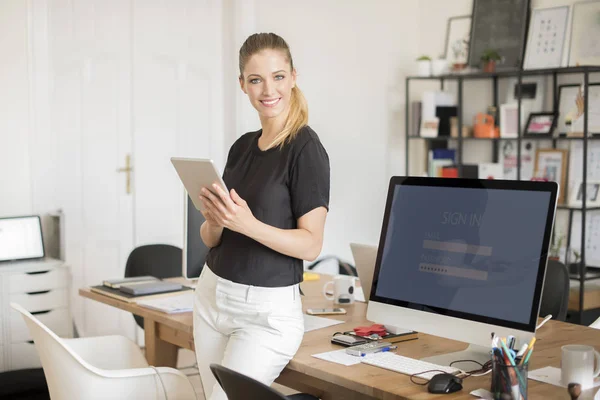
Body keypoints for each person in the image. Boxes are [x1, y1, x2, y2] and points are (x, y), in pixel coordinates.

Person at [193, 32, 330, 400]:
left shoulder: (305, 149)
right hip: (211, 297)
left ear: (293, 76)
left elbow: (311, 244)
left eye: (278, 76)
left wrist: (248, 225)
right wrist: (217, 221)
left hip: (265, 314)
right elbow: (210, 238)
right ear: (243, 85)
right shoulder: (241, 148)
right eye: (256, 79)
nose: (268, 89)